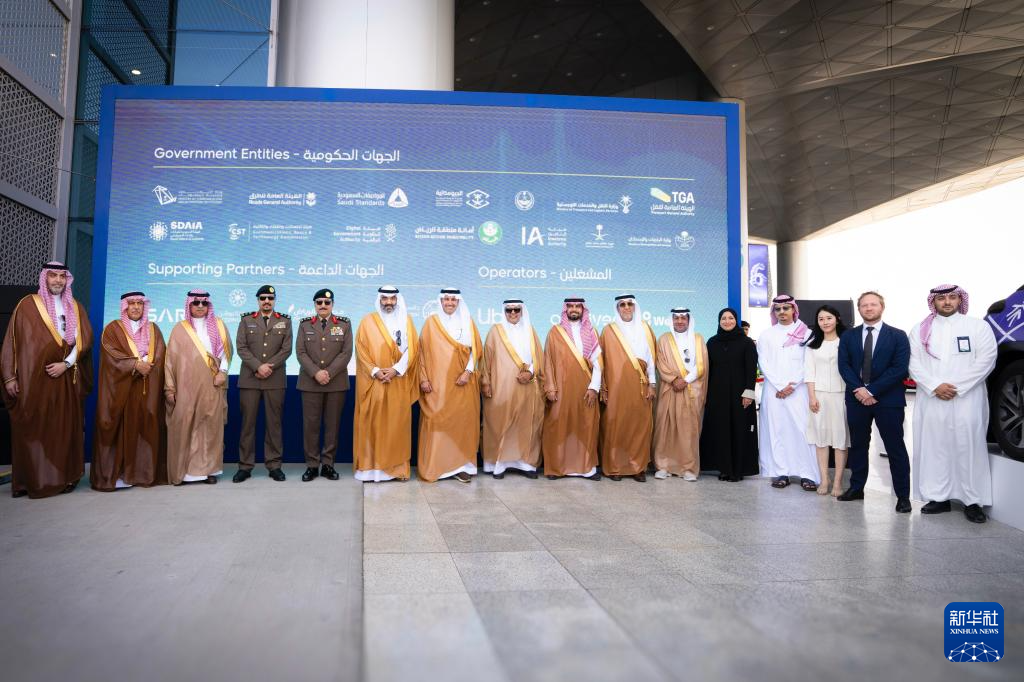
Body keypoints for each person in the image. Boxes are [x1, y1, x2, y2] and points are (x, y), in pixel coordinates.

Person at [2, 262, 93, 498]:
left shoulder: (75, 306)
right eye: (53, 276)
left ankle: (63, 478)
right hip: (33, 379)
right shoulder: (27, 305)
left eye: (62, 276)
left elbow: (83, 341)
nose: (58, 280)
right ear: (45, 278)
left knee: (63, 428)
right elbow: (12, 342)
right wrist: (10, 376)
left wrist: (66, 364)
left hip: (65, 379)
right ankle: (30, 481)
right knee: (34, 426)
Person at [910, 284, 998, 523]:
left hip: (967, 398)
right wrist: (935, 386)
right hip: (933, 398)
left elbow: (987, 360)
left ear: (960, 300)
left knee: (968, 446)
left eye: (952, 297)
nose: (947, 302)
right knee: (935, 447)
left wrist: (956, 387)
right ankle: (938, 497)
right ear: (933, 302)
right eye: (941, 298)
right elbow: (913, 362)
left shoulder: (978, 327)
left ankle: (972, 501)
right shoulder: (920, 330)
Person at [837, 291, 913, 513]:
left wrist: (871, 390)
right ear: (859, 309)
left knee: (895, 447)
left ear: (882, 307)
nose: (869, 308)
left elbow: (899, 368)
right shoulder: (849, 336)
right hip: (856, 399)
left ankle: (902, 496)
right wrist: (860, 390)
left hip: (888, 400)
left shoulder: (898, 335)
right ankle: (857, 488)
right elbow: (844, 366)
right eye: (864, 305)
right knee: (858, 445)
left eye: (873, 304)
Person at [91, 291, 166, 491]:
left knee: (144, 429)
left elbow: (160, 353)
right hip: (121, 391)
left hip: (146, 389)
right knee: (119, 430)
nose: (135, 307)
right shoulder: (113, 329)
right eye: (131, 303)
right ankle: (117, 475)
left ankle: (141, 474)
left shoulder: (153, 329)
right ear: (125, 306)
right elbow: (110, 354)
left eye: (139, 304)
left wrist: (148, 365)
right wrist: (134, 364)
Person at [164, 290, 232, 485]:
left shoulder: (219, 325)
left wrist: (223, 372)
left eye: (204, 303)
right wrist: (170, 388)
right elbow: (170, 362)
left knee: (210, 426)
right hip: (185, 386)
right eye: (196, 303)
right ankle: (185, 472)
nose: (200, 306)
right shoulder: (179, 329)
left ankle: (210, 470)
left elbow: (226, 353)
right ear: (189, 305)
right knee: (185, 424)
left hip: (212, 384)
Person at [353, 286, 419, 482]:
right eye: (384, 298)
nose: (388, 302)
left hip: (397, 381)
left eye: (392, 299)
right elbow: (360, 350)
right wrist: (375, 370)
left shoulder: (407, 321)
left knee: (396, 426)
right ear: (379, 300)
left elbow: (413, 349)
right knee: (372, 425)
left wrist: (396, 369)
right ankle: (369, 470)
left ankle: (397, 469)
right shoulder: (367, 321)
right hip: (374, 382)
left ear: (397, 300)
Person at [418, 288, 482, 483]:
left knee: (462, 424)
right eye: (446, 299)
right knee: (437, 423)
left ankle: (461, 467)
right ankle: (437, 466)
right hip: (436, 385)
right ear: (441, 301)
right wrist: (423, 378)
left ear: (458, 302)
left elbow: (476, 350)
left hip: (463, 383)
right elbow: (421, 353)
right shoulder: (431, 323)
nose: (450, 303)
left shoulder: (468, 322)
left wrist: (468, 372)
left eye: (454, 300)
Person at [758, 294, 819, 490]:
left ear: (794, 310)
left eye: (786, 308)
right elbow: (763, 362)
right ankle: (780, 472)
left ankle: (807, 474)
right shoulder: (766, 334)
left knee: (802, 430)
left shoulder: (806, 333)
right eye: (778, 309)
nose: (782, 312)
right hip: (773, 391)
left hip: (799, 390)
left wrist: (791, 385)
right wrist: (779, 385)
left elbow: (809, 363)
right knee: (776, 430)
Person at [233, 285, 292, 483]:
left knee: (274, 425)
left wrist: (268, 367)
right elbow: (241, 347)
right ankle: (245, 466)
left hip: (275, 380)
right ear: (258, 300)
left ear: (274, 300)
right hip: (250, 379)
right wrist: (258, 366)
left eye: (270, 298)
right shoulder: (246, 320)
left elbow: (286, 350)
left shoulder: (285, 321)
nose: (267, 301)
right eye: (263, 298)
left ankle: (274, 465)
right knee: (247, 425)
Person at [480, 299, 544, 479]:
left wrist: (530, 373)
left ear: (522, 311)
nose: (513, 313)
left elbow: (539, 357)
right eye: (509, 310)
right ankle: (499, 464)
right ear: (504, 312)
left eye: (516, 310)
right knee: (500, 424)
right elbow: (486, 360)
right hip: (500, 388)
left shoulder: (530, 331)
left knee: (525, 425)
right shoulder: (495, 331)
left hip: (527, 386)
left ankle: (525, 463)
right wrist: (485, 383)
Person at [542, 298, 602, 480]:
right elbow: (548, 361)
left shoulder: (591, 331)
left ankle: (587, 469)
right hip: (560, 389)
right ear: (565, 309)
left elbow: (598, 363)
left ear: (583, 310)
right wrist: (550, 387)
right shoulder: (555, 332)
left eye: (578, 306)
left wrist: (594, 387)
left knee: (586, 426)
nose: (574, 309)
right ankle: (557, 468)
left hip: (586, 388)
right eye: (571, 306)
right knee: (558, 426)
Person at [296, 288, 352, 482]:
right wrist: (316, 373)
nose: (323, 305)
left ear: (332, 305)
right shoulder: (305, 324)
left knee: (332, 426)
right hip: (310, 382)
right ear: (314, 305)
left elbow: (346, 352)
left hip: (335, 383)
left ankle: (328, 464)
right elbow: (300, 352)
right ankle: (312, 466)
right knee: (310, 426)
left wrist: (328, 373)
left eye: (327, 303)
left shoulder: (344, 324)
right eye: (319, 302)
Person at [600, 295, 656, 481]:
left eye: (629, 304)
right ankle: (614, 468)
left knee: (640, 426)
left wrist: (652, 384)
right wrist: (603, 387)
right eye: (622, 305)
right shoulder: (608, 331)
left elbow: (651, 359)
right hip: (616, 386)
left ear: (635, 306)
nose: (626, 307)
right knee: (616, 425)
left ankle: (637, 468)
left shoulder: (646, 328)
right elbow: (601, 362)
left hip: (641, 385)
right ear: (617, 308)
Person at [700, 308, 758, 481]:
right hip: (717, 395)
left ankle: (738, 470)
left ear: (736, 320)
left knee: (739, 430)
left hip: (741, 395)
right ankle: (724, 468)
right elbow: (708, 370)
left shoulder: (746, 343)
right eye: (723, 318)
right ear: (719, 321)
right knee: (721, 431)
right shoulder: (712, 342)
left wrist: (749, 393)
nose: (727, 321)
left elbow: (751, 369)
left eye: (730, 318)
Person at [653, 307, 708, 480]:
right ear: (672, 320)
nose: (680, 321)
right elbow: (660, 363)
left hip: (691, 389)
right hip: (670, 389)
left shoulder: (698, 339)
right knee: (665, 428)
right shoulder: (663, 339)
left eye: (683, 318)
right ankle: (663, 466)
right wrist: (674, 379)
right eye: (676, 318)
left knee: (688, 431)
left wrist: (685, 380)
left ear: (689, 320)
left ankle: (688, 469)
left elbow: (702, 364)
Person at [803, 305, 850, 497]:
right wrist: (812, 397)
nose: (825, 322)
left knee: (840, 440)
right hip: (819, 396)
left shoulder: (846, 342)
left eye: (829, 318)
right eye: (821, 319)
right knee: (821, 439)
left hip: (842, 395)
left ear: (837, 319)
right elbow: (809, 372)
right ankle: (824, 479)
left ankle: (837, 481)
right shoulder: (812, 345)